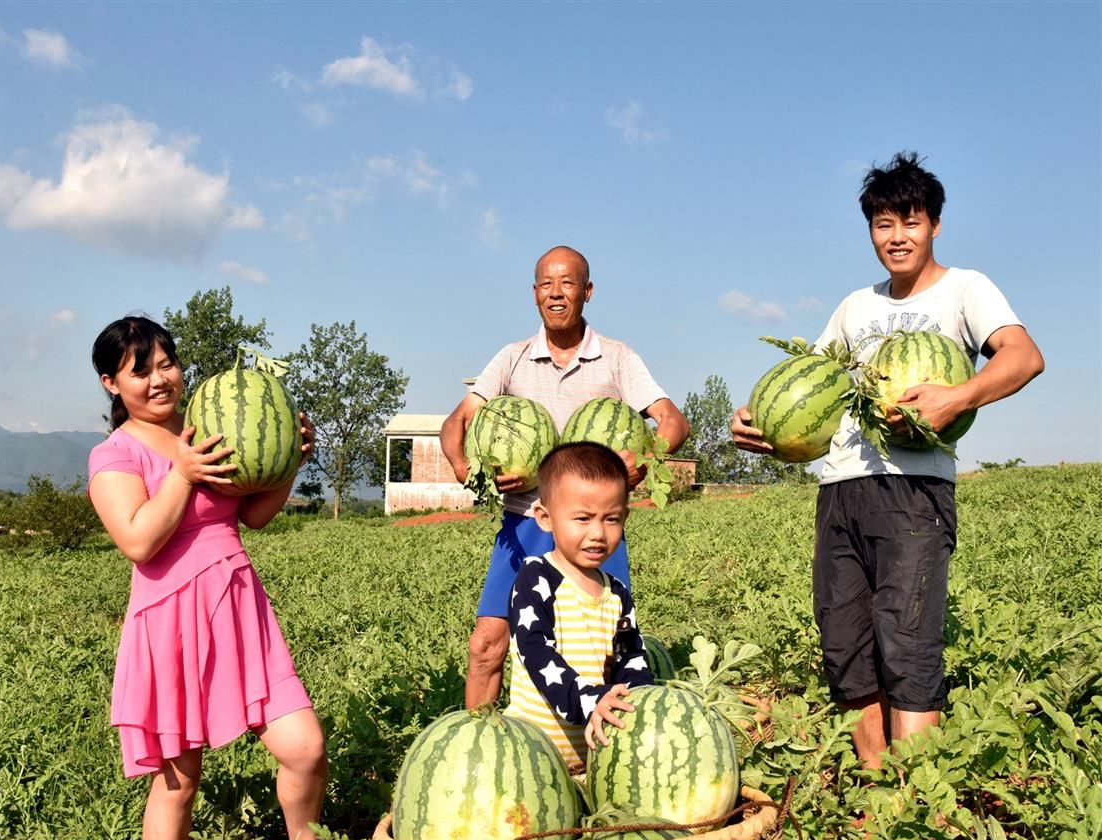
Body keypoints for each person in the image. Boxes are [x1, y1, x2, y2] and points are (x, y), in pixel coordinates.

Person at [732, 152, 1045, 770]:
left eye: (910, 221)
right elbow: (808, 382)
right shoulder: (855, 307)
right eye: (883, 224)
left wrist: (958, 395)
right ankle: (878, 793)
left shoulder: (965, 290)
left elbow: (1023, 356)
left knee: (907, 642)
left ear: (934, 225)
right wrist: (759, 419)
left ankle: (917, 804)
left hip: (914, 491)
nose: (896, 236)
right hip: (841, 489)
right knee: (845, 644)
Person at [88, 316, 328, 840]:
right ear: (111, 384)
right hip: (170, 621)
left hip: (238, 608)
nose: (158, 379)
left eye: (165, 363)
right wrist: (183, 474)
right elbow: (140, 541)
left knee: (305, 747)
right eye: (139, 371)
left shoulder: (208, 429)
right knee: (178, 782)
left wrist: (292, 458)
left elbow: (251, 515)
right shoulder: (113, 455)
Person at [440, 245, 689, 708]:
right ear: (534, 293)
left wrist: (638, 464)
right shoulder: (512, 358)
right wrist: (468, 471)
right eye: (547, 284)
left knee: (605, 652)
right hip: (525, 524)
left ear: (587, 292)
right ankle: (478, 749)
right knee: (487, 646)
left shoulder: (616, 358)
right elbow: (457, 423)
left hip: (591, 525)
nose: (556, 293)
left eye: (568, 283)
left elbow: (673, 421)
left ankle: (606, 762)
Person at [504, 442, 654, 768]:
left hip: (593, 762)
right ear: (545, 518)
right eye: (583, 518)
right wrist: (590, 699)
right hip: (532, 759)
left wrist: (643, 705)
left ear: (625, 516)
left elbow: (632, 660)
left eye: (611, 519)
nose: (598, 533)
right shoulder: (536, 578)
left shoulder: (616, 592)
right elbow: (537, 654)